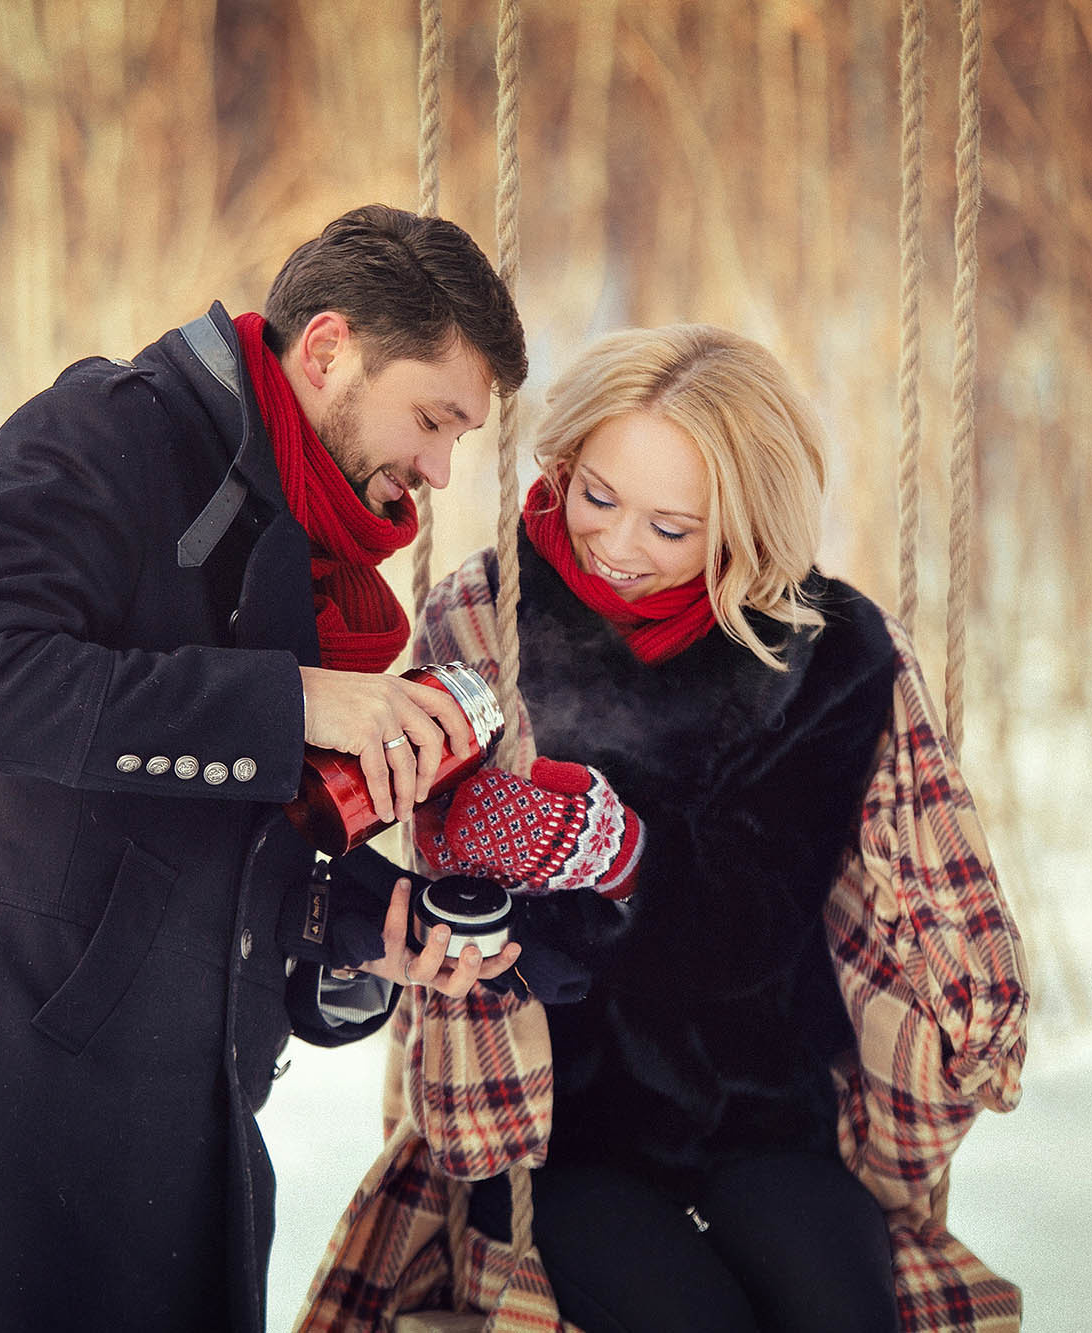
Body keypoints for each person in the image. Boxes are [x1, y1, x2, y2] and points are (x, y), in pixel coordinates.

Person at [0, 204, 530, 1333]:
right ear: (327, 349)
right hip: (8, 1124)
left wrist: (366, 923)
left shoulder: (309, 543)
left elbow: (210, 839)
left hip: (191, 1143)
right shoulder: (98, 435)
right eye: (431, 418)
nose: (436, 467)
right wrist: (294, 701)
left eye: (458, 439)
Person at [393, 325, 996, 1331]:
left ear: (741, 524)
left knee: (840, 1304)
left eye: (671, 528)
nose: (620, 548)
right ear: (564, 463)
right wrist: (471, 846)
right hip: (562, 1123)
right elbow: (437, 853)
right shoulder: (487, 613)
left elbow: (759, 911)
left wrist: (622, 853)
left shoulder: (824, 650)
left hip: (760, 1102)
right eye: (597, 498)